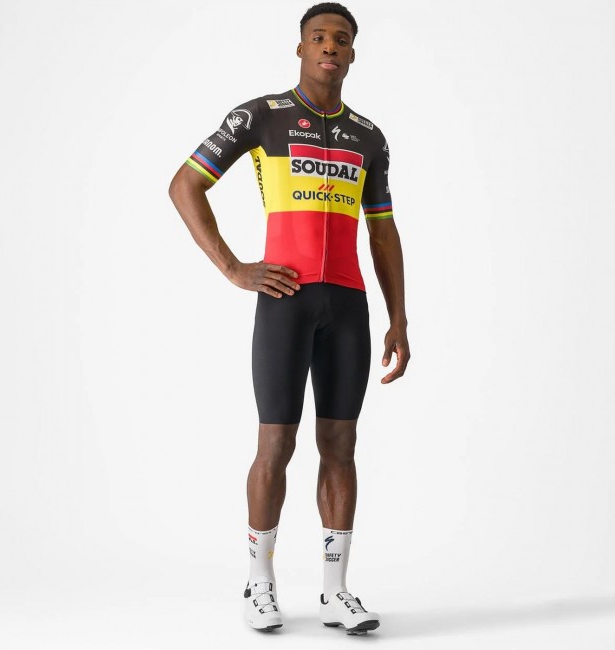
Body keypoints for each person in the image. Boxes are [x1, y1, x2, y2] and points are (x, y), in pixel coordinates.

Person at [168, 2, 410, 636]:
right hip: (285, 300)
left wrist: (399, 317)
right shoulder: (263, 115)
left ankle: (335, 591)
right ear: (300, 47)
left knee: (341, 445)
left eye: (342, 39)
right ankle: (259, 584)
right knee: (275, 444)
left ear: (353, 53)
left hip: (348, 305)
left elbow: (383, 232)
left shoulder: (369, 136)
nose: (330, 46)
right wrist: (234, 268)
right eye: (319, 37)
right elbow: (184, 185)